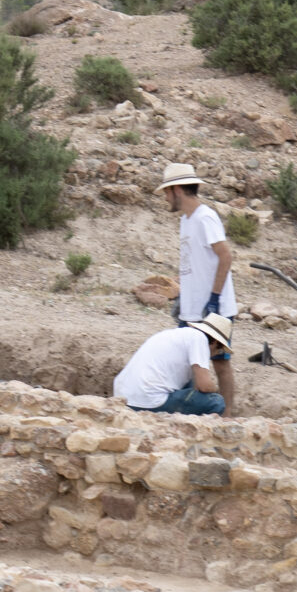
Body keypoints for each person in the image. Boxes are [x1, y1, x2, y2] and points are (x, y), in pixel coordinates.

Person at [159, 162, 239, 413]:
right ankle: (192, 413)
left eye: (167, 191)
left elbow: (225, 256)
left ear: (177, 190)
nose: (165, 197)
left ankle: (227, 417)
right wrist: (184, 296)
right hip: (192, 309)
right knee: (188, 362)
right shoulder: (186, 220)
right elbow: (194, 264)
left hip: (213, 308)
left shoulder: (206, 217)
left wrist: (214, 299)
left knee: (220, 363)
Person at [113, 312, 233, 416]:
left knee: (190, 381)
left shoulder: (178, 335)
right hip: (148, 400)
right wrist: (215, 389)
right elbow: (204, 386)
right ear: (215, 342)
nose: (214, 355)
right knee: (216, 402)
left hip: (123, 396)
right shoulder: (200, 339)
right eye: (219, 350)